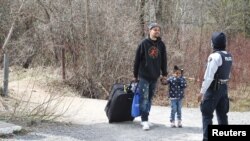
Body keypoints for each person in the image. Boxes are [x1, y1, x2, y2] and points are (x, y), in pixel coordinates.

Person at [197, 32, 233, 141]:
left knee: (207, 114)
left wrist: (201, 92)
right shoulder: (229, 56)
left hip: (213, 89)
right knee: (222, 115)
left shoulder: (214, 56)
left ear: (213, 43)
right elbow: (227, 73)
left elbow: (208, 77)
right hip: (224, 88)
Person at [133, 22, 168, 130]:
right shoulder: (143, 43)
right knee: (144, 98)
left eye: (158, 30)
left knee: (149, 98)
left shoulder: (161, 45)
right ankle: (144, 121)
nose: (157, 31)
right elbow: (137, 60)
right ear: (149, 31)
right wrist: (135, 75)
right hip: (144, 75)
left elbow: (164, 60)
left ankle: (146, 118)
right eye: (155, 29)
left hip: (155, 76)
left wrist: (164, 74)